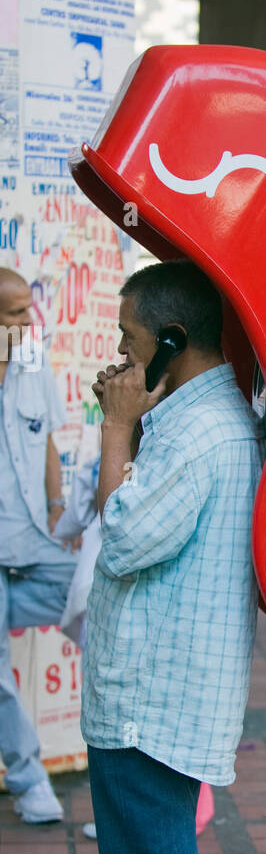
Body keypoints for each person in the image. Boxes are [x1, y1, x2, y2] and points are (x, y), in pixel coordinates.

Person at [62, 259, 264, 854]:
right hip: (152, 686)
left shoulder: (207, 431)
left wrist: (117, 433)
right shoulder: (189, 418)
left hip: (157, 696)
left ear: (172, 342)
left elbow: (130, 538)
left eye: (130, 341)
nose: (118, 356)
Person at [0, 267, 77, 823]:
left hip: (34, 540)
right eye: (16, 313)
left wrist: (58, 512)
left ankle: (133, 760)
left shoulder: (34, 364)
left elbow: (48, 442)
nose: (31, 321)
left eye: (30, 308)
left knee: (102, 608)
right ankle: (29, 782)